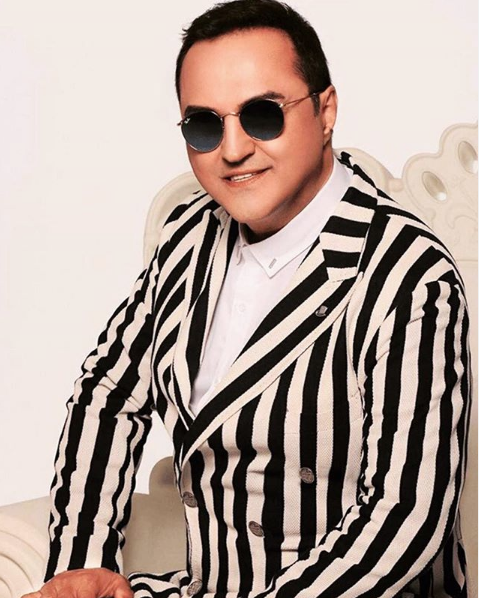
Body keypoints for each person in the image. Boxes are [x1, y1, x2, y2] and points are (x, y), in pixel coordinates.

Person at [23, 1, 471, 597]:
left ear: (326, 110)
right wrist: (83, 570)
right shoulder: (188, 238)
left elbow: (404, 517)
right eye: (205, 125)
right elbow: (108, 394)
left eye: (263, 115)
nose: (232, 149)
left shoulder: (407, 273)